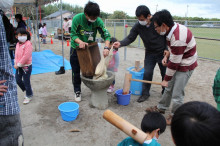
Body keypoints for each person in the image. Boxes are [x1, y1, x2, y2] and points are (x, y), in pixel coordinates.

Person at [146, 10, 198, 125]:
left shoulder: (178, 37)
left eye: (156, 27)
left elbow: (174, 64)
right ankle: (161, 107)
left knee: (177, 93)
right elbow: (173, 51)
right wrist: (168, 54)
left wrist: (165, 79)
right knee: (169, 87)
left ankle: (175, 116)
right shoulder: (172, 29)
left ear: (164, 25)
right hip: (179, 58)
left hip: (186, 64)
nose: (155, 29)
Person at [113, 5, 168, 103]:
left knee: (165, 73)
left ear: (149, 16)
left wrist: (167, 49)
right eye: (138, 19)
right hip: (150, 53)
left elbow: (167, 36)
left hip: (162, 52)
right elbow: (130, 37)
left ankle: (165, 92)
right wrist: (120, 43)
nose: (140, 21)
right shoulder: (138, 26)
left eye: (142, 19)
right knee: (147, 73)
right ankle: (145, 93)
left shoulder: (157, 22)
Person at [70, 1, 111, 102]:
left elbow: (106, 35)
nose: (94, 20)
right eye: (92, 18)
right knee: (76, 71)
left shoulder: (98, 21)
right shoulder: (77, 19)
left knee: (92, 69)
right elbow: (73, 35)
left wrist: (106, 48)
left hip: (91, 48)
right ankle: (77, 91)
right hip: (76, 48)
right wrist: (80, 42)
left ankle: (94, 88)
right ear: (86, 14)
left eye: (96, 17)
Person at [0, 12, 24, 146]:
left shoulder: (25, 45)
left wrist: (19, 63)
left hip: (24, 66)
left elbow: (26, 56)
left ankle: (29, 93)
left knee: (23, 81)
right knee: (20, 80)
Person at [14, 28, 33, 104]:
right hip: (19, 66)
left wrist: (18, 64)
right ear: (16, 36)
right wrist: (16, 63)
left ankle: (29, 95)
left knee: (26, 81)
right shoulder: (18, 44)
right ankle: (28, 90)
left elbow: (26, 56)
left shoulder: (28, 43)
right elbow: (16, 55)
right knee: (17, 80)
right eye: (20, 35)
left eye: (24, 35)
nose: (23, 37)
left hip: (26, 66)